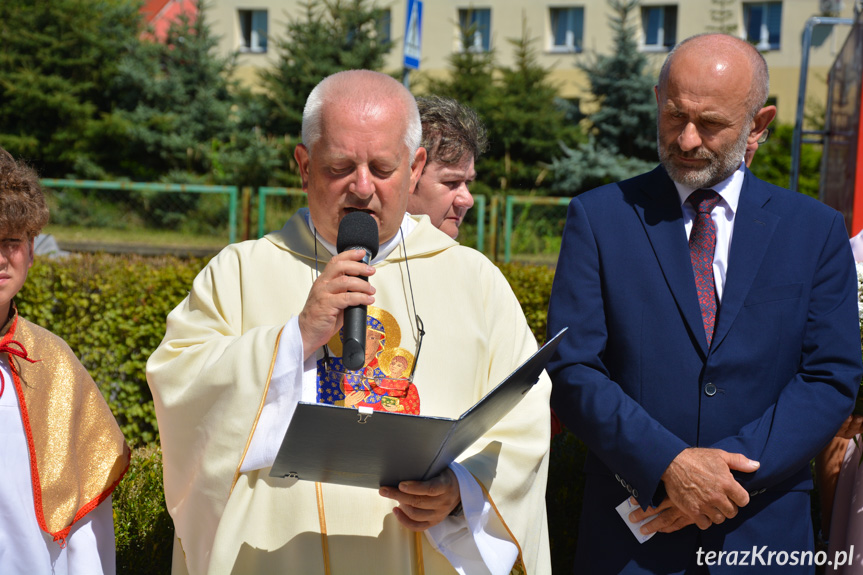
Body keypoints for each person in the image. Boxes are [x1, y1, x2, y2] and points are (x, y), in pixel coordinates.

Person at [146, 70, 551, 574]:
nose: (363, 188)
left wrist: (461, 490)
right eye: (341, 166)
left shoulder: (475, 281)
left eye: (383, 167)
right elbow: (180, 389)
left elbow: (525, 420)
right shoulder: (239, 273)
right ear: (304, 166)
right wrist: (293, 339)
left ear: (415, 165)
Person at [546, 33, 862, 574]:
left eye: (711, 123)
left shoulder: (815, 232)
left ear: (758, 125)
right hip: (633, 540)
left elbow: (830, 377)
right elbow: (573, 367)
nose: (687, 139)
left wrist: (723, 480)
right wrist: (667, 464)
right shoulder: (600, 219)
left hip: (762, 537)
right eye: (674, 117)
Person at [0, 147, 130, 573]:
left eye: (11, 241)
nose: (2, 259)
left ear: (32, 250)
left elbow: (84, 522)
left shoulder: (52, 361)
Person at [407, 95, 488, 240]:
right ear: (411, 173)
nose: (468, 200)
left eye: (468, 183)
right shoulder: (363, 257)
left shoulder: (472, 263)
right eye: (451, 182)